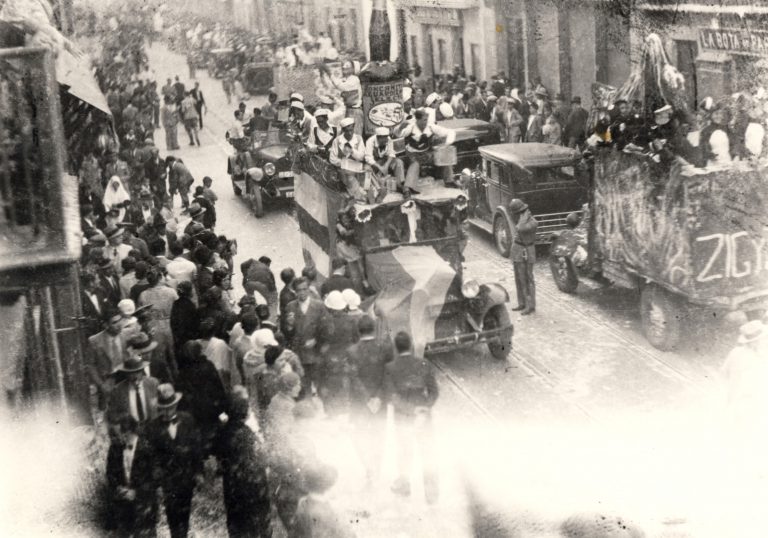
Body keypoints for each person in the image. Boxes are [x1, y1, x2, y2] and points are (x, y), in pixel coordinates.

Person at [384, 331, 439, 503]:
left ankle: (404, 486)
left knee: (404, 453)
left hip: (403, 418)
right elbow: (434, 392)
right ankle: (431, 494)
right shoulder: (424, 364)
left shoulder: (390, 368)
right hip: (424, 418)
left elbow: (392, 397)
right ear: (411, 345)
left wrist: (410, 411)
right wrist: (424, 408)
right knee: (427, 453)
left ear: (396, 348)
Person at [146, 384, 203, 538]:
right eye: (163, 408)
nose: (167, 411)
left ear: (176, 405)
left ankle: (182, 534)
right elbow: (152, 454)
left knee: (185, 512)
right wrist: (156, 473)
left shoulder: (188, 420)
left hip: (186, 476)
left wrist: (198, 472)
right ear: (159, 408)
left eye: (170, 407)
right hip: (168, 479)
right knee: (172, 514)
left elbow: (196, 447)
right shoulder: (153, 427)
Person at [218, 393, 273, 538]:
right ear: (244, 411)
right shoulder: (247, 434)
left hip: (232, 485)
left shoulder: (223, 431)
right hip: (251, 486)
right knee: (256, 524)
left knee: (237, 523)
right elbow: (263, 458)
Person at [347, 315, 391, 485]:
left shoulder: (351, 351)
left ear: (359, 331)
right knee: (379, 435)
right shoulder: (385, 348)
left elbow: (353, 377)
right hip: (380, 403)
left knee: (359, 435)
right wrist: (378, 397)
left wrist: (367, 399)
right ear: (374, 329)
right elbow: (388, 374)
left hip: (360, 403)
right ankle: (377, 470)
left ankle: (369, 468)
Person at [105, 414, 158, 536]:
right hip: (123, 507)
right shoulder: (115, 448)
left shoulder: (148, 448)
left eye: (121, 434)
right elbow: (110, 474)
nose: (118, 438)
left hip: (144, 507)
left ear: (130, 432)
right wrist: (120, 489)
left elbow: (155, 478)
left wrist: (137, 493)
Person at [174, 340, 227, 455]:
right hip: (210, 410)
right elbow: (218, 388)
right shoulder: (208, 366)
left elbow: (180, 395)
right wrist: (222, 408)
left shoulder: (183, 372)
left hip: (193, 413)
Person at [283, 277, 331, 400]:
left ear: (309, 290)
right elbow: (286, 333)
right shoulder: (290, 307)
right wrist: (289, 325)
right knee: (303, 386)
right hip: (299, 353)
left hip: (316, 352)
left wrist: (316, 340)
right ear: (295, 291)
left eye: (305, 289)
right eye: (299, 290)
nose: (302, 292)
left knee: (321, 384)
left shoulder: (319, 306)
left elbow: (327, 328)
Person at [397, 109, 456, 192]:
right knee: (415, 164)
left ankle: (449, 181)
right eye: (424, 120)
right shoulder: (410, 128)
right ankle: (408, 188)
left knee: (444, 155)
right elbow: (399, 134)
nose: (425, 122)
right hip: (413, 154)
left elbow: (450, 132)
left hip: (427, 153)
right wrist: (401, 127)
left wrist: (446, 144)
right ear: (417, 120)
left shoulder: (431, 127)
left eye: (426, 120)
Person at [293, 463, 356, 538]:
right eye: (336, 483)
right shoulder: (324, 513)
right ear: (328, 486)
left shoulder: (304, 502)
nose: (339, 487)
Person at [106, 354, 160, 428]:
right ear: (126, 373)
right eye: (131, 373)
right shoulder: (118, 390)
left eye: (137, 372)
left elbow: (162, 407)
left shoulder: (153, 383)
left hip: (152, 427)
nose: (135, 376)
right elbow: (111, 416)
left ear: (142, 370)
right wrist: (125, 416)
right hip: (131, 430)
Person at [87, 311, 127, 409]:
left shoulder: (125, 336)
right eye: (114, 322)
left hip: (125, 379)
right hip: (107, 382)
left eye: (120, 320)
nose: (119, 325)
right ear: (106, 325)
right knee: (108, 412)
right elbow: (90, 365)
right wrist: (101, 385)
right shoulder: (95, 340)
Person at [509, 198, 538, 315]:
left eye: (519, 213)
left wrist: (524, 217)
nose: (516, 216)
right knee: (518, 278)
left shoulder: (532, 222)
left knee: (527, 278)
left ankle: (530, 305)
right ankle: (521, 303)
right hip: (517, 249)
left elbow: (520, 228)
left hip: (527, 250)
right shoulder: (520, 220)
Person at [329, 117, 367, 201]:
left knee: (368, 172)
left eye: (351, 130)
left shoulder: (358, 138)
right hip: (343, 167)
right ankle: (359, 197)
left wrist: (352, 151)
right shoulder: (337, 140)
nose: (350, 133)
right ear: (343, 130)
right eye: (347, 131)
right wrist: (345, 164)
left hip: (356, 165)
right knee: (349, 177)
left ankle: (368, 193)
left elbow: (362, 156)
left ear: (353, 128)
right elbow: (332, 159)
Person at [322, 60, 363, 136]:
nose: (344, 67)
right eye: (343, 65)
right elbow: (334, 84)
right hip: (349, 110)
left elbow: (340, 86)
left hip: (355, 112)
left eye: (347, 66)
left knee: (355, 136)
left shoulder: (354, 79)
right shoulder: (346, 80)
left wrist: (329, 72)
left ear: (353, 69)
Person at [198, 317, 239, 390]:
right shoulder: (220, 343)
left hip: (203, 377)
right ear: (214, 332)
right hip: (217, 377)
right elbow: (227, 365)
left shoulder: (196, 343)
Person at [365, 126, 405, 194]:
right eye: (383, 139)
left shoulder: (388, 139)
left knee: (399, 162)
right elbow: (368, 158)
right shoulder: (370, 141)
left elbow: (391, 153)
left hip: (385, 160)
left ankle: (399, 184)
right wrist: (380, 167)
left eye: (386, 138)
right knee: (367, 169)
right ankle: (374, 188)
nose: (386, 140)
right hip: (375, 163)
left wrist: (386, 165)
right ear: (378, 137)